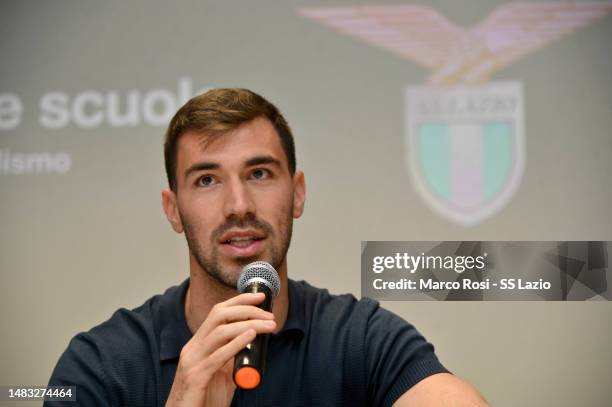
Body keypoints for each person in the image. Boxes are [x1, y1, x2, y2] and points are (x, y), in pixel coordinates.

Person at [46, 88, 489, 406]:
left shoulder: (363, 338)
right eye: (206, 180)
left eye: (259, 173)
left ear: (297, 193)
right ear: (173, 210)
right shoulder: (101, 365)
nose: (238, 206)